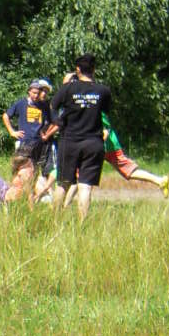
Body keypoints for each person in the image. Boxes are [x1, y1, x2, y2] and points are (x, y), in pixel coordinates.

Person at [48, 52, 114, 219]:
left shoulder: (68, 88)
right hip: (93, 142)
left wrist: (57, 121)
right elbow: (106, 111)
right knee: (85, 186)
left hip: (69, 141)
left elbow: (52, 106)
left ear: (77, 69)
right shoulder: (103, 91)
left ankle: (54, 221)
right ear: (94, 69)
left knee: (63, 184)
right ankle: (82, 225)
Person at [3, 76, 53, 203]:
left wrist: (45, 132)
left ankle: (27, 198)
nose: (36, 95)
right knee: (22, 172)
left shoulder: (43, 106)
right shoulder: (21, 103)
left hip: (39, 144)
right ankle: (13, 198)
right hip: (24, 144)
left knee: (34, 172)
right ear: (29, 91)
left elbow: (51, 121)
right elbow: (6, 116)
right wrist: (12, 131)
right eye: (34, 93)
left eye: (38, 93)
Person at [101, 115, 169, 196]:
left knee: (129, 171)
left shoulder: (95, 109)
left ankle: (160, 181)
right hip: (102, 146)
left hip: (108, 147)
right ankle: (159, 181)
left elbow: (105, 131)